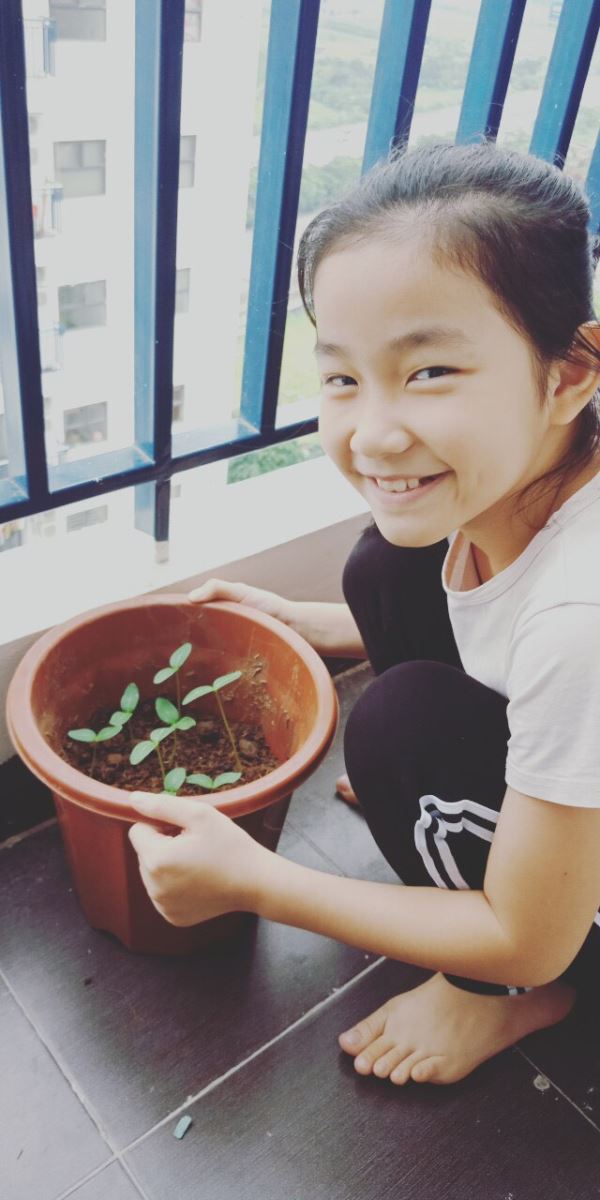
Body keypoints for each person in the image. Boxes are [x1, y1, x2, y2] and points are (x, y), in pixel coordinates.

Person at [128, 140, 600, 1088]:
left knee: (395, 725)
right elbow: (495, 613)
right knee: (386, 567)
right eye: (343, 378)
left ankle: (510, 998)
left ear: (568, 374)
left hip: (558, 926)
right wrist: (310, 622)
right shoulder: (534, 475)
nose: (373, 435)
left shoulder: (581, 616)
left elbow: (528, 932)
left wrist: (256, 881)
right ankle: (449, 805)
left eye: (430, 372)